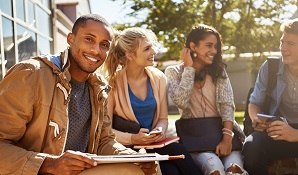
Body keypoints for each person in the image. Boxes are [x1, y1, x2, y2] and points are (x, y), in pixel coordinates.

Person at [0, 14, 156, 175]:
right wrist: (49, 164)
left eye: (104, 45)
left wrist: (132, 157)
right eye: (89, 39)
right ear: (70, 39)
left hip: (81, 171)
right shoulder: (31, 74)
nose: (96, 50)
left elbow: (104, 141)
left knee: (147, 167)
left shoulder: (98, 88)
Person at [103, 27, 203, 175]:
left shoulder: (158, 78)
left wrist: (159, 130)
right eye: (147, 49)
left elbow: (163, 118)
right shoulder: (111, 83)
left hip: (154, 145)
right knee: (171, 172)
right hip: (126, 148)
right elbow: (106, 130)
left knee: (179, 152)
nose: (154, 52)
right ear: (130, 54)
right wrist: (133, 138)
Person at [165, 24, 247, 175]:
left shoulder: (219, 71)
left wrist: (227, 138)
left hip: (224, 133)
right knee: (214, 170)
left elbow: (227, 104)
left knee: (234, 170)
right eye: (209, 45)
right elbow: (181, 101)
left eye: (216, 46)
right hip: (197, 140)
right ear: (193, 46)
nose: (214, 51)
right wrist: (189, 69)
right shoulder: (174, 72)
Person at [242, 18, 298, 175]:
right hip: (277, 129)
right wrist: (256, 119)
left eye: (290, 44)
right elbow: (255, 102)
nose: (283, 48)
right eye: (282, 42)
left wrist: (294, 134)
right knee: (251, 148)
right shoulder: (270, 67)